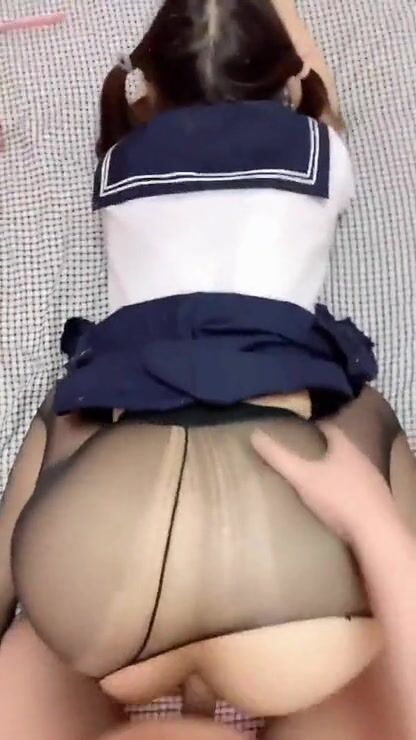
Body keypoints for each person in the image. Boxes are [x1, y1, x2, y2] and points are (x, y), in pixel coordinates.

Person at [0, 0, 415, 738]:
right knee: (360, 404)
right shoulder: (319, 152)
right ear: (285, 83)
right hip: (292, 614)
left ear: (148, 86)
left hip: (103, 597)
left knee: (70, 404)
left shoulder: (118, 165)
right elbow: (319, 98)